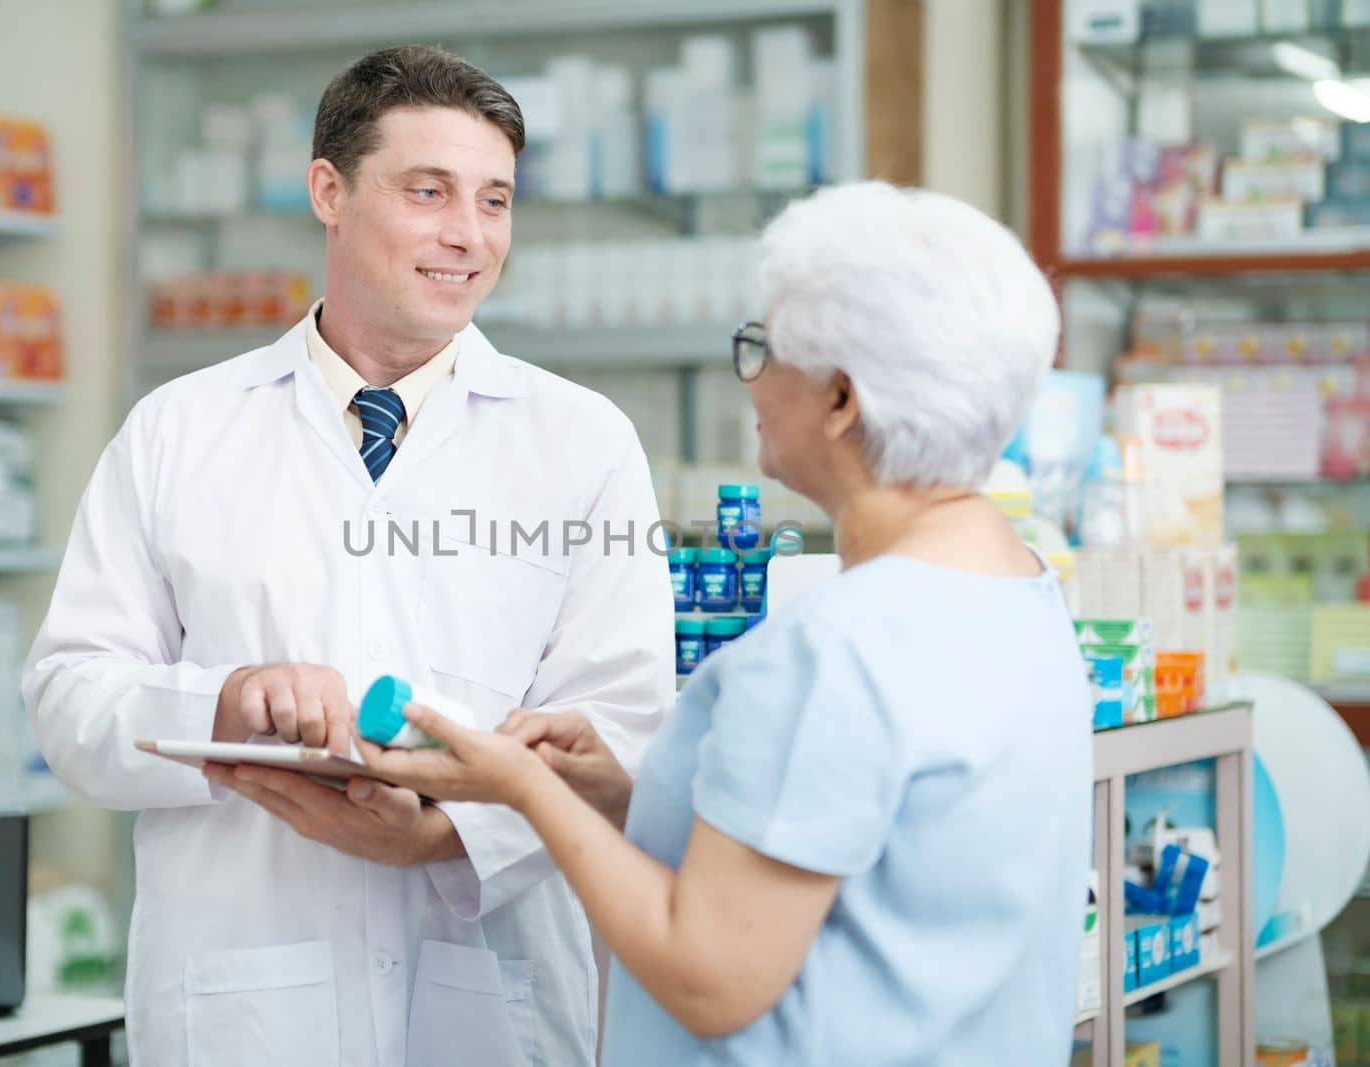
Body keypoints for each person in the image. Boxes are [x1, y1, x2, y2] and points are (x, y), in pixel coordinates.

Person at [217, 182, 1093, 1065]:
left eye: (766, 350)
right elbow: (851, 854)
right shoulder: (1020, 594)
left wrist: (529, 791)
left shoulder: (831, 654)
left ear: (839, 399)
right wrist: (624, 794)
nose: (751, 379)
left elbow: (707, 974)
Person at [23, 45, 674, 1067]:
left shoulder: (582, 442)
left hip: (488, 1000)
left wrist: (445, 834)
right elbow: (69, 699)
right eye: (428, 191)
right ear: (329, 189)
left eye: (495, 200)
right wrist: (227, 703)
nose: (468, 235)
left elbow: (627, 728)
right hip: (243, 1013)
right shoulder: (179, 430)